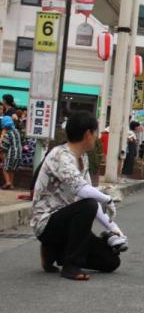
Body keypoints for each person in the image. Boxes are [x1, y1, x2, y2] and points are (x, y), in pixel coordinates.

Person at [30, 111, 123, 280]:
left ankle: (53, 251)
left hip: (69, 225)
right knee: (88, 205)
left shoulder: (83, 158)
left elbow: (88, 194)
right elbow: (83, 191)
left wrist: (115, 230)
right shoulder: (60, 155)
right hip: (47, 223)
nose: (97, 137)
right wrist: (107, 198)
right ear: (88, 134)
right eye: (96, 133)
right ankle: (71, 266)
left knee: (111, 262)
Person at [1, 110, 22, 189]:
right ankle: (11, 184)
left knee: (5, 168)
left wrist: (2, 136)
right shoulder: (16, 131)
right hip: (18, 154)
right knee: (11, 170)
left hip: (11, 154)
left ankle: (8, 182)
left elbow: (4, 146)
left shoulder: (7, 133)